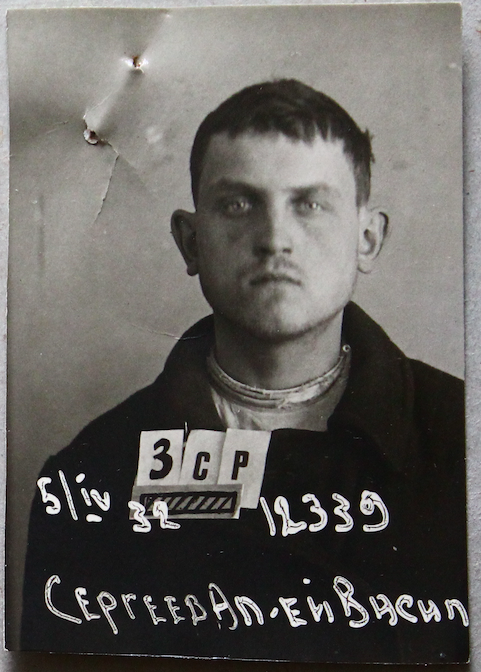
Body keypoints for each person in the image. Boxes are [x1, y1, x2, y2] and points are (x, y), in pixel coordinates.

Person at [21, 80, 468, 663]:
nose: (275, 240)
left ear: (367, 239)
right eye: (238, 204)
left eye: (310, 204)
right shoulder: (93, 473)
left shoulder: (462, 441)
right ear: (191, 241)